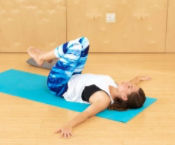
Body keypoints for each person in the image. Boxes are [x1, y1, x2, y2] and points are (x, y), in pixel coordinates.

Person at [27, 36, 151, 138]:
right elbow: (130, 84)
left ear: (124, 96)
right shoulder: (116, 87)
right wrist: (138, 79)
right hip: (74, 75)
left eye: (129, 86)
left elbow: (86, 114)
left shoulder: (103, 99)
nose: (127, 83)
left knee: (75, 47)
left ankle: (42, 57)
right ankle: (52, 59)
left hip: (59, 84)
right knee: (84, 42)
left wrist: (69, 125)